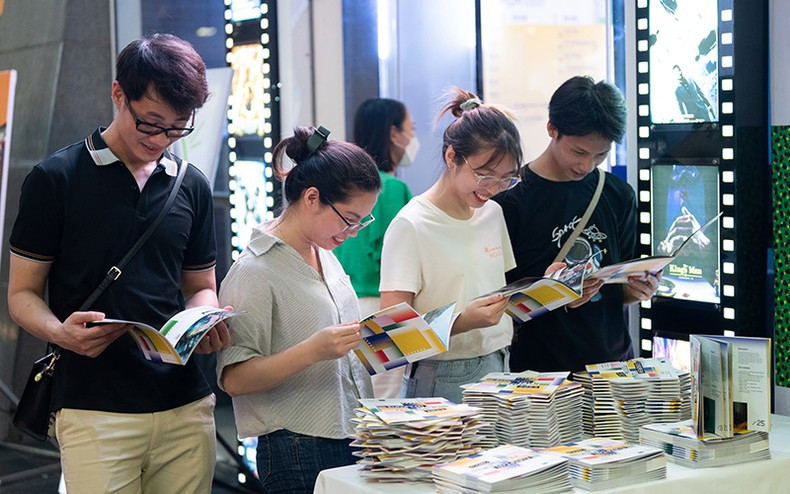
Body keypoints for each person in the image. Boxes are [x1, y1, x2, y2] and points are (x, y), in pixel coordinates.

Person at [7, 34, 228, 492]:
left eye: (177, 129)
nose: (161, 140)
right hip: (94, 407)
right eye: (150, 124)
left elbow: (200, 285)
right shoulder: (56, 179)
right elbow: (21, 294)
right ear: (118, 94)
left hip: (185, 406)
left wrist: (202, 319)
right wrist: (60, 332)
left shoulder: (191, 185)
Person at [217, 125, 380, 493]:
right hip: (296, 446)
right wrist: (312, 351)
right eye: (349, 219)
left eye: (362, 221)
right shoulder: (255, 270)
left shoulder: (323, 252)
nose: (353, 231)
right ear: (311, 198)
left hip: (353, 433)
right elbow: (234, 379)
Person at [493, 75, 659, 374]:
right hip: (540, 376)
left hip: (612, 370)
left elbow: (619, 290)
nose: (587, 165)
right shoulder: (510, 201)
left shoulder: (618, 194)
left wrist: (637, 291)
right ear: (551, 129)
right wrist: (557, 295)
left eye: (601, 154)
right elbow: (499, 306)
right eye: (579, 152)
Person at [379, 88, 524, 404]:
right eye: (485, 175)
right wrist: (463, 321)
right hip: (442, 375)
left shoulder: (492, 214)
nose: (494, 189)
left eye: (507, 179)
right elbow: (390, 338)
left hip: (500, 364)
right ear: (451, 157)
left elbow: (497, 292)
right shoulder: (411, 224)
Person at [334, 98, 416, 398]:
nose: (413, 138)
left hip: (342, 308)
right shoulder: (393, 189)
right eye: (411, 129)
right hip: (385, 305)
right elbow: (399, 261)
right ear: (394, 133)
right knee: (386, 404)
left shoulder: (344, 187)